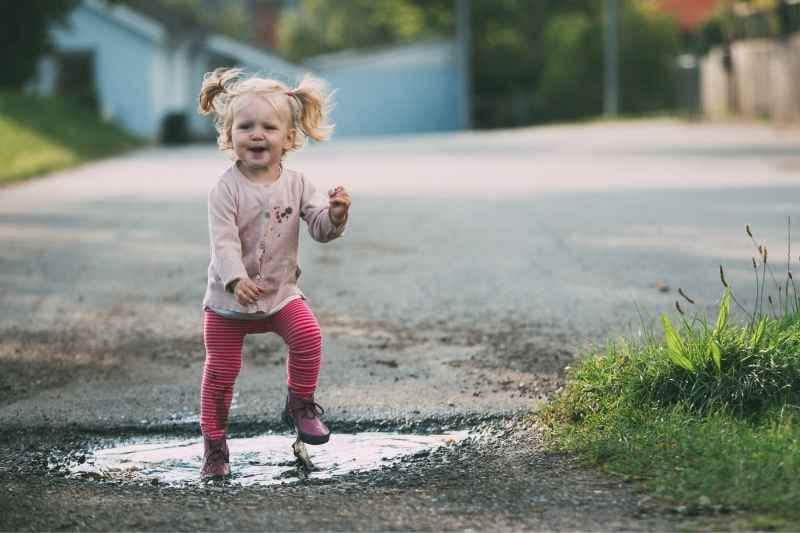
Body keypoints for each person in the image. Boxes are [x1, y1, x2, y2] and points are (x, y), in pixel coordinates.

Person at [196, 67, 351, 478]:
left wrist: (335, 214)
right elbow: (223, 240)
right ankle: (214, 444)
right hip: (229, 303)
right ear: (230, 137)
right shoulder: (225, 189)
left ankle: (299, 404)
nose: (257, 134)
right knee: (221, 375)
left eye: (268, 127)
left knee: (308, 336)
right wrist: (234, 279)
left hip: (280, 294)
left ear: (289, 138)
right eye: (246, 127)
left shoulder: (298, 183)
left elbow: (319, 228)